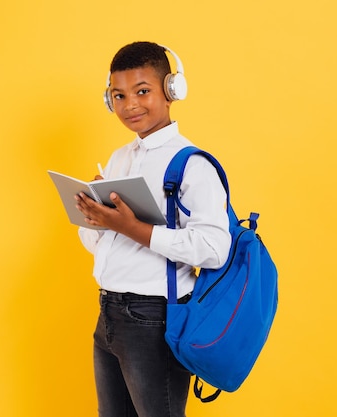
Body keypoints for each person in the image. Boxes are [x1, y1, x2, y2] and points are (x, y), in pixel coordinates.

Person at [74, 41, 232, 417]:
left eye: (142, 91)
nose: (130, 105)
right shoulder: (120, 158)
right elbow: (103, 247)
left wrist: (132, 227)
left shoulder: (192, 164)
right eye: (119, 95)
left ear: (171, 90)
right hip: (108, 311)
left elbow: (214, 248)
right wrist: (95, 218)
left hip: (154, 318)